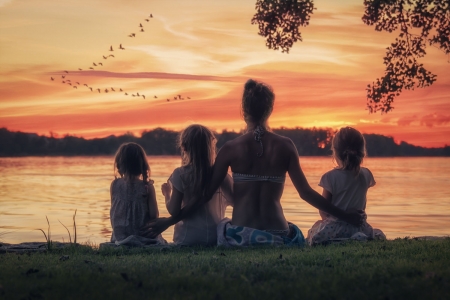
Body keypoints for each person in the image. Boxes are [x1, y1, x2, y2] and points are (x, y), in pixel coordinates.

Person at [143, 79, 365, 246]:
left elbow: (204, 196)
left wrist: (168, 222)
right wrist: (346, 216)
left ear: (244, 110)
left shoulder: (230, 148)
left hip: (241, 234)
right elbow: (306, 193)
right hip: (278, 234)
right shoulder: (286, 145)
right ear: (270, 109)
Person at [306, 127, 386, 245]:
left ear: (336, 152)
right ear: (362, 151)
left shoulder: (329, 177)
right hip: (359, 226)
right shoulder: (366, 174)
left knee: (314, 234)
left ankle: (341, 240)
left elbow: (323, 210)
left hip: (335, 227)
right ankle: (355, 238)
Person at [162, 124, 233, 246]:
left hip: (187, 239)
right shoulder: (221, 176)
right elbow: (236, 202)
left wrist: (167, 194)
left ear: (183, 147)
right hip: (215, 238)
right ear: (211, 146)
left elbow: (174, 211)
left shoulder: (180, 174)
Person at [110, 142, 166, 246]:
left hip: (120, 237)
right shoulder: (147, 187)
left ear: (119, 165)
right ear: (142, 166)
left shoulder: (115, 184)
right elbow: (154, 215)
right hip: (143, 237)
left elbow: (114, 211)